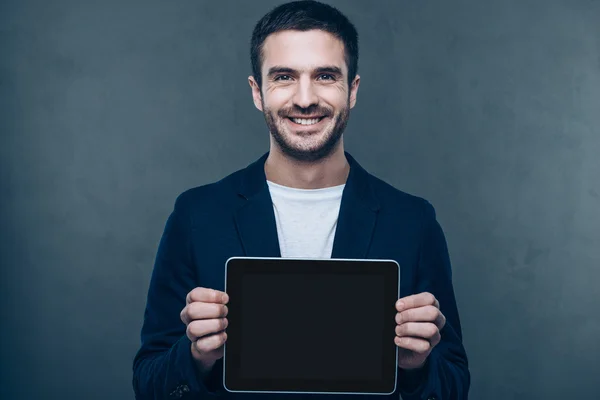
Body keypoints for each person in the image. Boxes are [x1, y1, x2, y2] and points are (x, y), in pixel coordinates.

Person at [132, 1, 470, 399]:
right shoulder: (197, 215)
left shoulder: (412, 221)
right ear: (258, 92)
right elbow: (149, 382)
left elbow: (454, 385)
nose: (305, 98)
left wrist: (417, 368)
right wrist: (196, 357)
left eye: (325, 76)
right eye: (284, 77)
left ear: (353, 90)